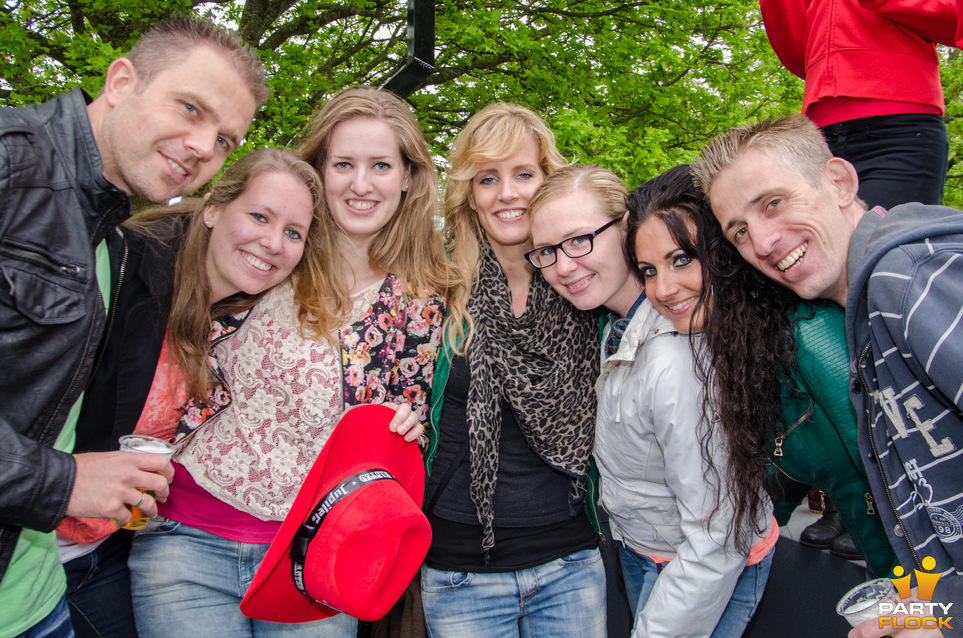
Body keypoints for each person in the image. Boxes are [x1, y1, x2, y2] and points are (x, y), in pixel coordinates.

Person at [127, 86, 450, 637]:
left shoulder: (421, 302)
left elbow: (402, 437)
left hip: (314, 563)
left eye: (380, 165)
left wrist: (409, 429)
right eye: (343, 163)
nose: (361, 183)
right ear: (319, 170)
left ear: (407, 178)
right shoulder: (268, 251)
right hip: (187, 541)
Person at [0, 14, 267, 637]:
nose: (204, 146)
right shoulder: (13, 164)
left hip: (34, 601)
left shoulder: (111, 241)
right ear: (120, 81)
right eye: (190, 107)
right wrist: (62, 480)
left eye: (226, 139)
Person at [692, 113, 963, 638]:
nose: (765, 242)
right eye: (740, 231)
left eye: (773, 203)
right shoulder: (863, 311)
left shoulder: (905, 278)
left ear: (839, 182)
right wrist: (931, 608)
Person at [56, 147, 321, 637]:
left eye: (293, 233)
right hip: (27, 547)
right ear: (215, 208)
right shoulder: (122, 273)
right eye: (260, 216)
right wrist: (62, 477)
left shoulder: (232, 318)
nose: (272, 242)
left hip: (98, 553)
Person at [528, 164, 776, 637]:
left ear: (626, 230)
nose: (562, 265)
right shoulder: (616, 327)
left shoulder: (675, 352)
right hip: (650, 550)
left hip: (695, 566)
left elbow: (719, 536)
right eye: (546, 251)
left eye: (580, 240)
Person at [420, 104, 606, 638]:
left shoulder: (585, 283)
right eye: (487, 178)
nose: (508, 193)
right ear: (469, 195)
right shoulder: (435, 285)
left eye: (524, 174)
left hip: (571, 558)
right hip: (461, 570)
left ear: (548, 181)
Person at [689, 162, 897, 578]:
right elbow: (779, 463)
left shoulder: (812, 339)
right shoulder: (746, 343)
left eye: (685, 259)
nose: (662, 289)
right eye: (742, 231)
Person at [759, 0, 957, 208]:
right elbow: (800, 53)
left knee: (887, 237)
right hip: (820, 138)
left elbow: (954, 19)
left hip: (899, 129)